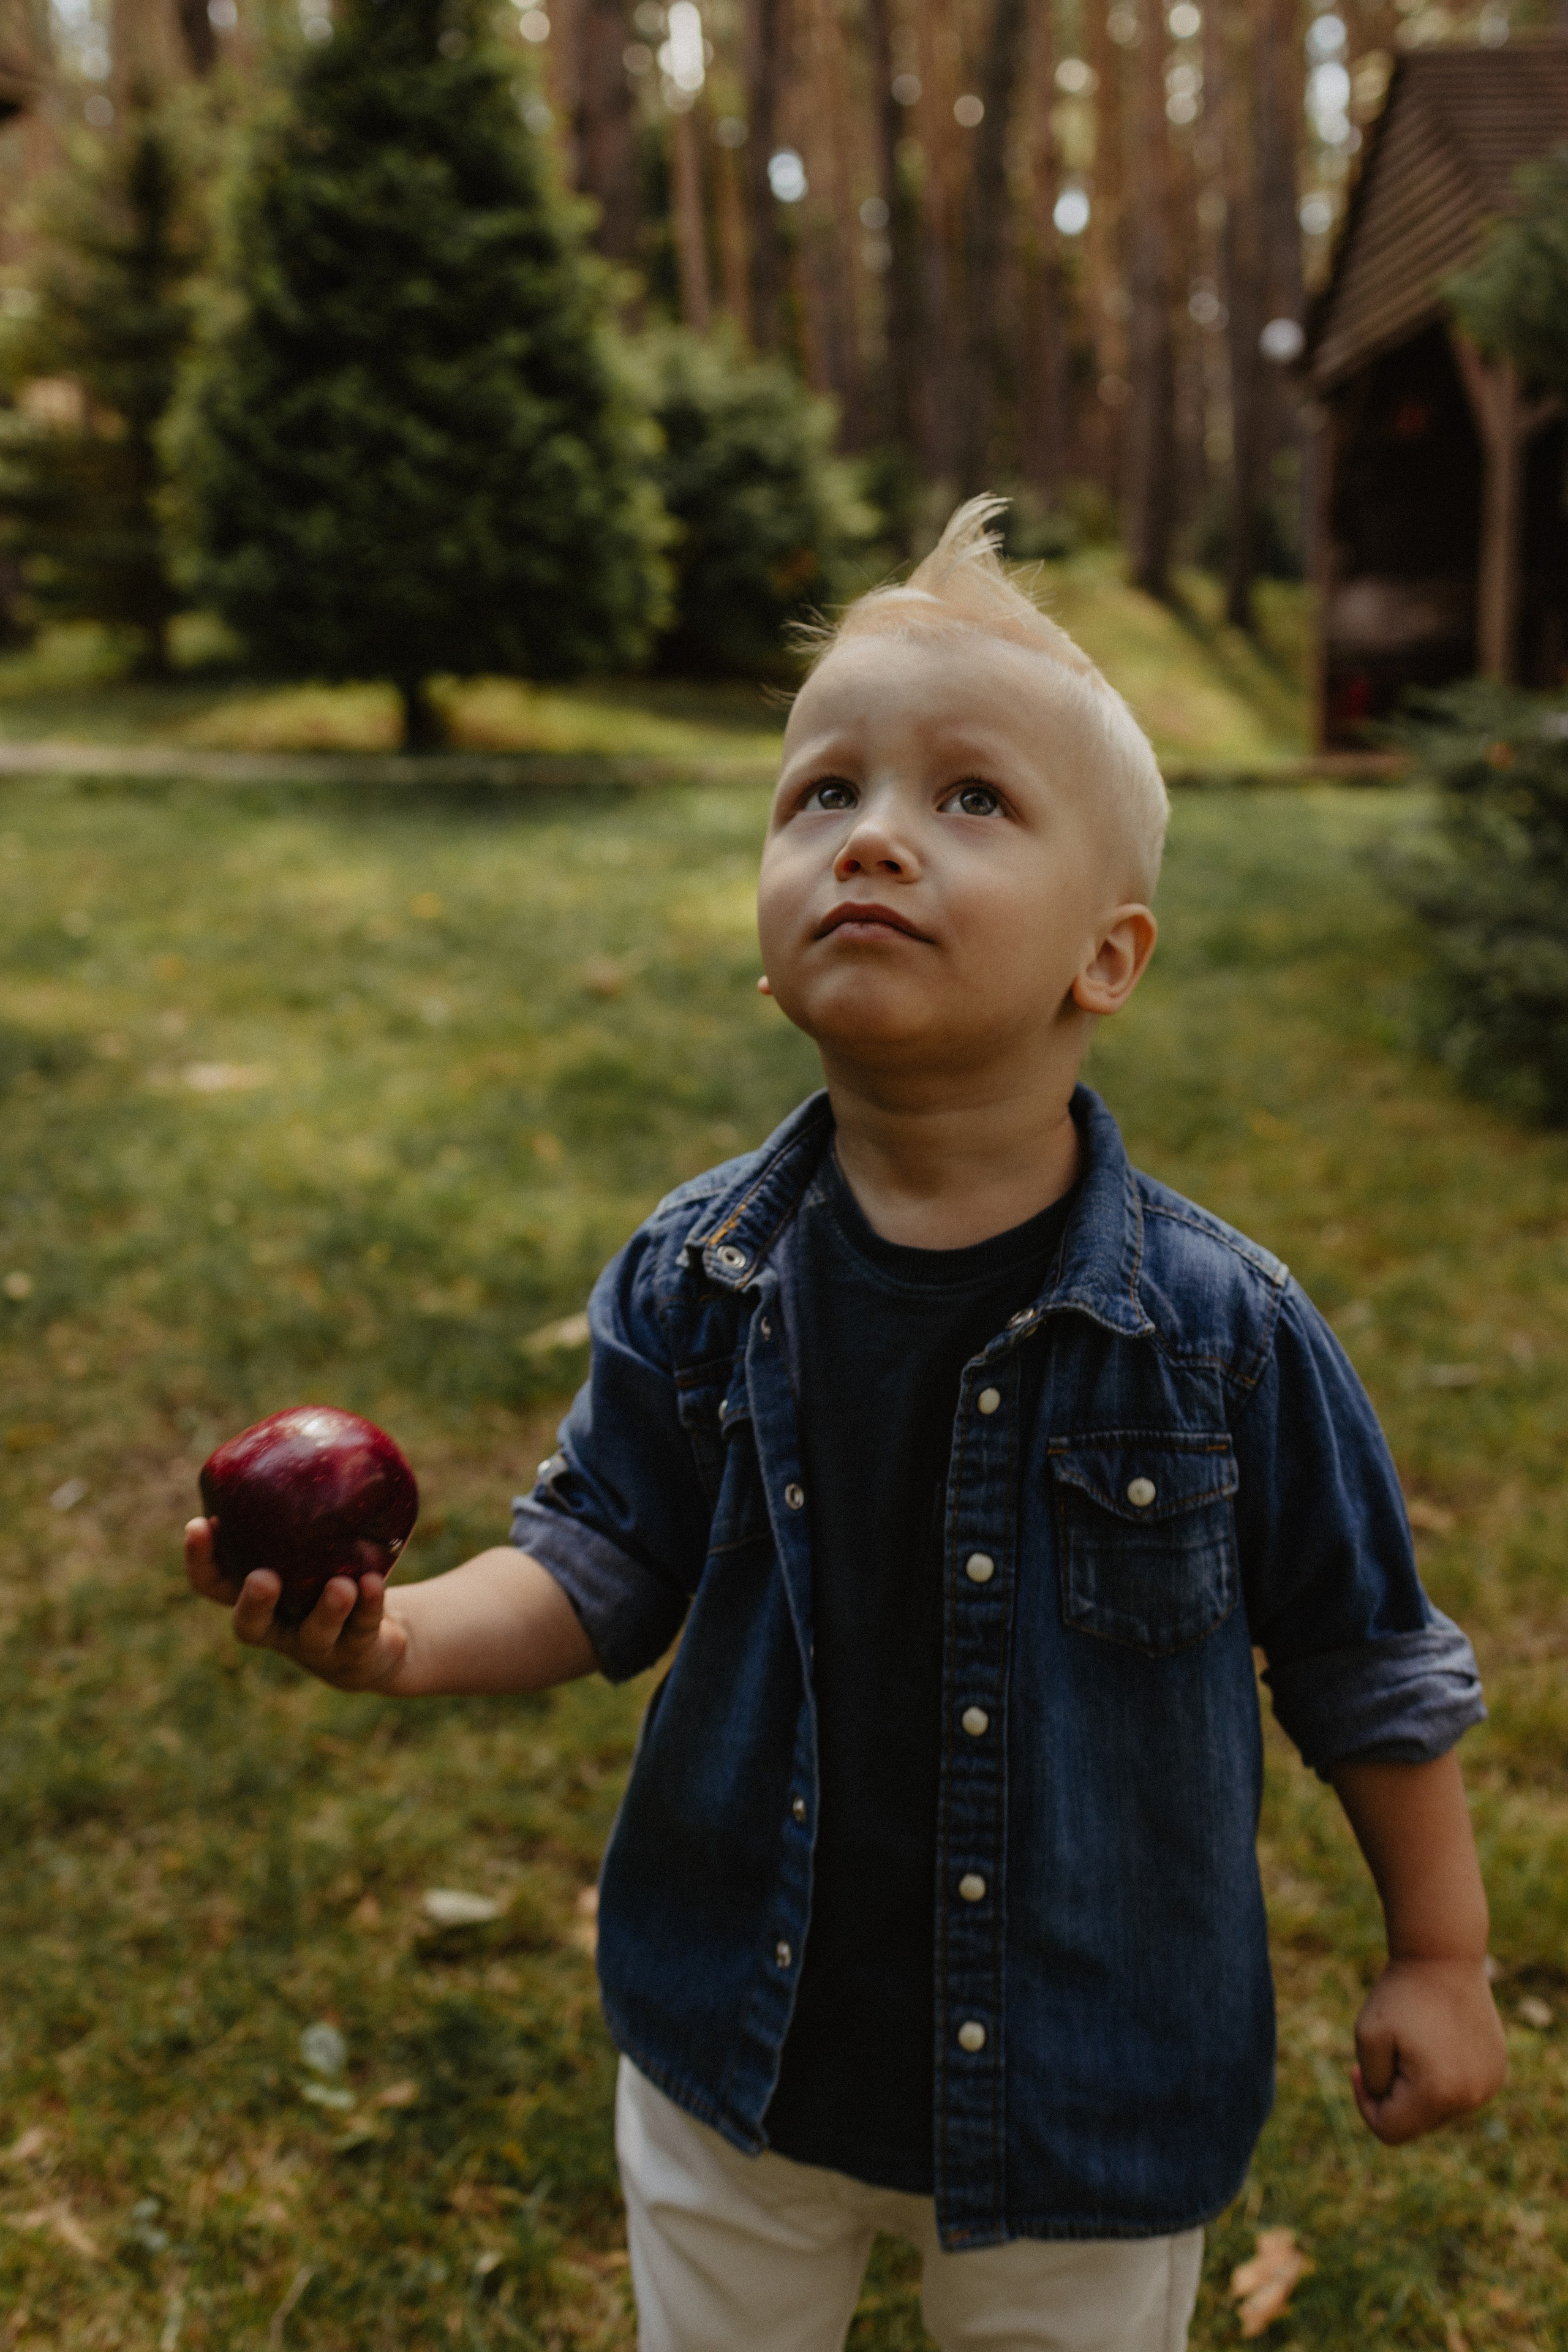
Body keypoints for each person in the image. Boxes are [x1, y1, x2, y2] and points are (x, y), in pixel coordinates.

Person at [187, 499, 1506, 2352]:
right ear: (770, 939)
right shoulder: (699, 1274)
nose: (873, 834)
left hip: (1087, 2089)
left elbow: (1368, 1660)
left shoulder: (1223, 1338)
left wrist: (1440, 1955)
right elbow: (599, 1557)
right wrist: (399, 1638)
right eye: (824, 794)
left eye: (971, 798)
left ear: (1108, 959)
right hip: (740, 2048)